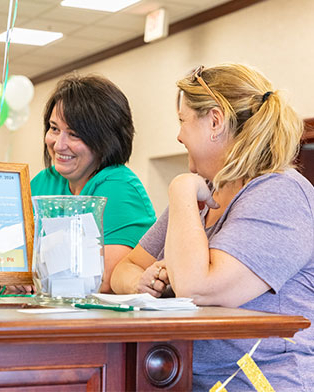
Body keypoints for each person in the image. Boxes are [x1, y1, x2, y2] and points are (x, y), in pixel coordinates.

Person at [111, 63, 314, 391]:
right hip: (189, 379)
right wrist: (141, 283)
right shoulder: (205, 191)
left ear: (215, 121)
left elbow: (198, 288)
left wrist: (180, 189)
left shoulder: (280, 192)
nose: (178, 135)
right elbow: (126, 267)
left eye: (182, 121)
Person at [30, 74, 156, 293]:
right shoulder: (44, 182)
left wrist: (28, 272)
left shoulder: (119, 187)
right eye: (54, 129)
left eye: (74, 134)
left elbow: (101, 279)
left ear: (105, 140)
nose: (59, 144)